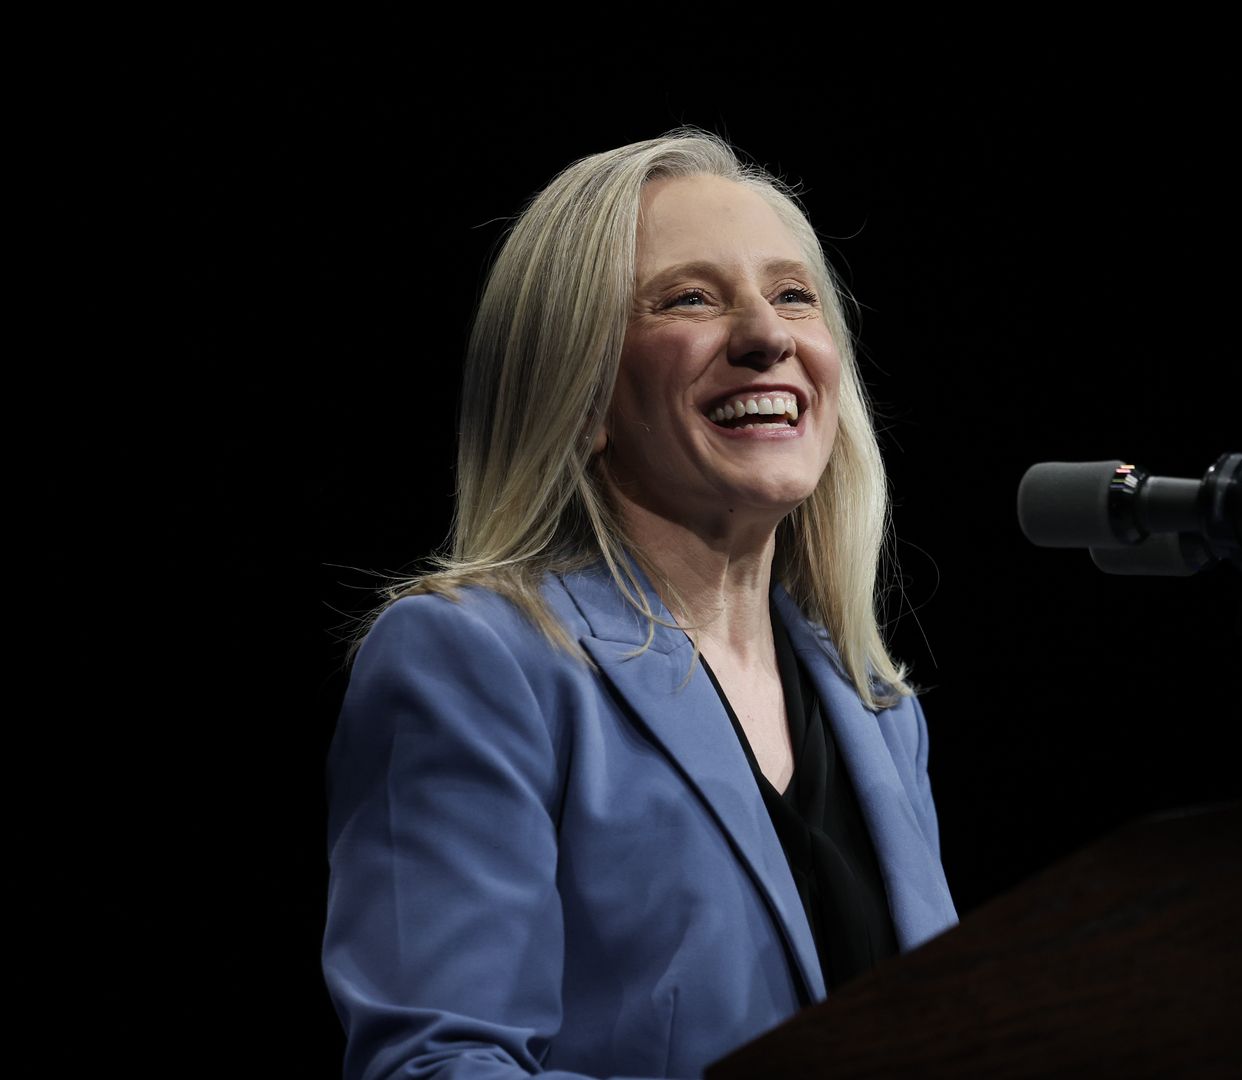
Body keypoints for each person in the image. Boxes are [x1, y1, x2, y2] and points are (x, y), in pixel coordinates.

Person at [323, 129, 958, 1079]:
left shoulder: (875, 706)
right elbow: (440, 1064)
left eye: (794, 295)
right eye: (690, 299)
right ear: (580, 394)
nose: (767, 336)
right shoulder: (475, 661)